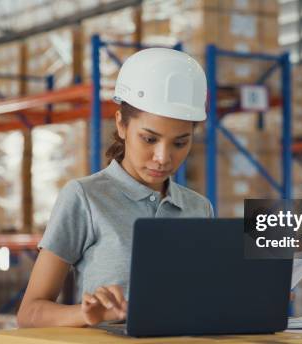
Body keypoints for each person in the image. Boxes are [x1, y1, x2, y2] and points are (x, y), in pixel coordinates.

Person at [17, 48, 213, 328]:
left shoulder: (199, 207)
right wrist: (86, 315)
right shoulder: (85, 197)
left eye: (180, 143)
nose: (163, 157)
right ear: (121, 125)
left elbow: (203, 299)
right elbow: (29, 313)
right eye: (148, 139)